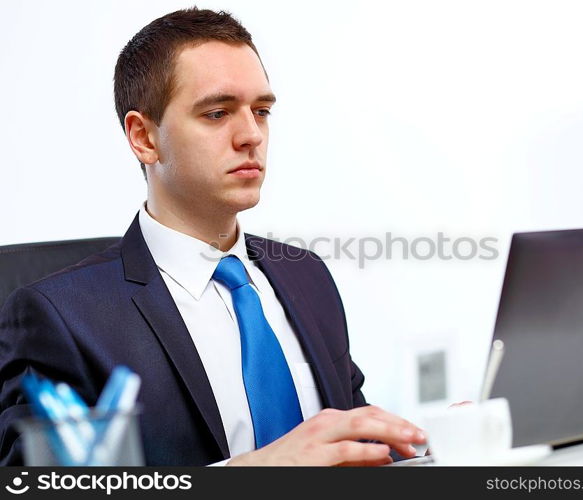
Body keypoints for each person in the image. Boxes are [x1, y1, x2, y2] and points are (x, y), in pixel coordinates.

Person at [0, 7, 426, 466]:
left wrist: (428, 449)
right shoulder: (62, 316)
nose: (251, 135)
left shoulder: (308, 278)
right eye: (218, 112)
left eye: (261, 111)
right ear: (144, 138)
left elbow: (351, 451)